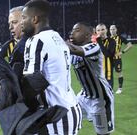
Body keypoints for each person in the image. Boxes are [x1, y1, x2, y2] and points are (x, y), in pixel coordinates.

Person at [21, 0, 82, 134]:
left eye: (24, 18)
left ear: (35, 19)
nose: (21, 22)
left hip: (56, 115)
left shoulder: (36, 40)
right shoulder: (57, 37)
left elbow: (32, 81)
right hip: (71, 108)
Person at [68, 22, 114, 135]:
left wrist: (55, 40)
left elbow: (77, 51)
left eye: (77, 30)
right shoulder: (72, 51)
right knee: (67, 118)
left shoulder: (94, 47)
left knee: (102, 133)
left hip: (101, 98)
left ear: (88, 35)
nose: (72, 33)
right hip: (84, 96)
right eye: (72, 30)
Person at [109, 24, 133, 94]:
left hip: (117, 59)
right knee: (109, 74)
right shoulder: (107, 38)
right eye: (111, 29)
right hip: (109, 59)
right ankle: (110, 88)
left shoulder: (120, 38)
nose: (112, 31)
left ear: (116, 30)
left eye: (113, 29)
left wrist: (122, 52)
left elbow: (130, 45)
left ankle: (120, 88)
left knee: (119, 73)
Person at [96, 23, 116, 88]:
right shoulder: (94, 43)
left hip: (108, 74)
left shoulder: (112, 41)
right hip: (96, 74)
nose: (100, 32)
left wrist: (99, 42)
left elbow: (107, 54)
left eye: (102, 29)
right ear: (96, 32)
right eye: (98, 30)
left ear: (106, 30)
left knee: (108, 96)